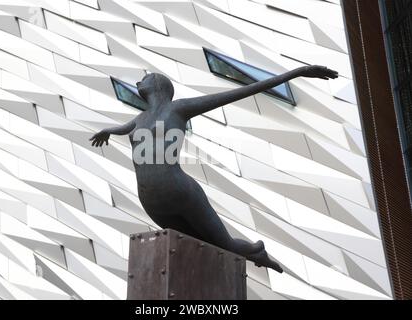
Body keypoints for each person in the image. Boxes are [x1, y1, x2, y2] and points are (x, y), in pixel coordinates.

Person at [90, 65, 339, 272]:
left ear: (156, 84)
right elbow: (124, 129)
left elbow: (242, 92)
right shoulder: (140, 119)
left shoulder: (178, 108)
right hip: (151, 199)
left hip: (180, 191)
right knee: (188, 250)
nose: (137, 82)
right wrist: (108, 131)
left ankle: (255, 252)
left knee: (222, 245)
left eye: (143, 79)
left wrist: (296, 73)